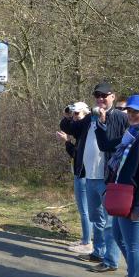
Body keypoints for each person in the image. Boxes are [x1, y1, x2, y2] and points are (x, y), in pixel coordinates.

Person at [60, 83, 129, 272]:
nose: (100, 99)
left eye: (104, 95)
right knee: (96, 219)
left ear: (113, 96)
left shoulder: (119, 117)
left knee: (109, 223)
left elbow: (130, 138)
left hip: (108, 178)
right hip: (89, 176)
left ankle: (111, 261)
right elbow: (70, 128)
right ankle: (98, 252)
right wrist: (68, 115)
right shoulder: (90, 117)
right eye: (97, 96)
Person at [97, 94, 139, 277]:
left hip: (134, 198)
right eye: (129, 111)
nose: (132, 115)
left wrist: (138, 207)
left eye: (136, 112)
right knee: (118, 235)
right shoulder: (132, 134)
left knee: (133, 246)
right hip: (123, 195)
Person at [56, 101, 93, 254]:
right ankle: (86, 239)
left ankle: (87, 242)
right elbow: (67, 127)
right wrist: (67, 116)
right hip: (81, 172)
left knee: (85, 210)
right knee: (86, 210)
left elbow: (75, 153)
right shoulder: (81, 131)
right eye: (73, 114)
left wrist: (67, 142)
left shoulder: (87, 129)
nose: (74, 117)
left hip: (83, 174)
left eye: (77, 114)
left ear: (86, 114)